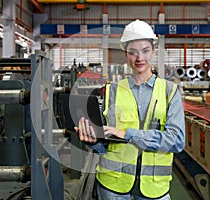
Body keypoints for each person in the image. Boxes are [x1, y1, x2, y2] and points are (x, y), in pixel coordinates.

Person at [74, 19, 185, 200]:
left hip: (154, 187)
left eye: (145, 51)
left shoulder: (170, 92)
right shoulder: (113, 91)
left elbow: (177, 141)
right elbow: (105, 145)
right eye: (133, 52)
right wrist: (93, 141)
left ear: (153, 51)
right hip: (113, 184)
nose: (139, 58)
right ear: (126, 54)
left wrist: (127, 133)